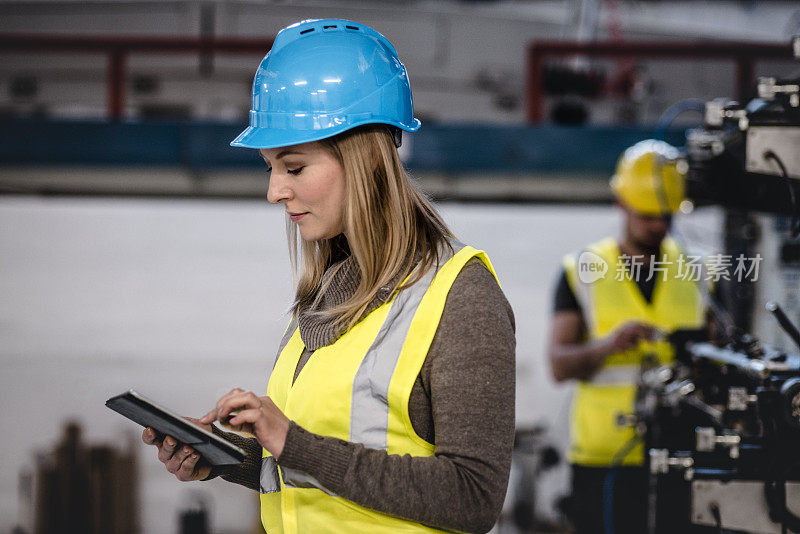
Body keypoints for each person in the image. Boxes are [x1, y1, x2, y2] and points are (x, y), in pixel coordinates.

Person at [140, 18, 516, 534]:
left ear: (364, 162)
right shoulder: (333, 288)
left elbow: (473, 498)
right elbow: (321, 475)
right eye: (269, 167)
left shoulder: (460, 297)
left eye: (293, 168)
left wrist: (293, 442)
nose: (274, 191)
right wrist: (228, 457)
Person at [547, 140, 707, 534]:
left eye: (666, 216)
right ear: (621, 204)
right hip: (603, 459)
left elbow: (717, 351)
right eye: (648, 215)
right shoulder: (582, 269)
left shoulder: (699, 271)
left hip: (679, 453)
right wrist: (610, 345)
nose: (658, 225)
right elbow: (558, 364)